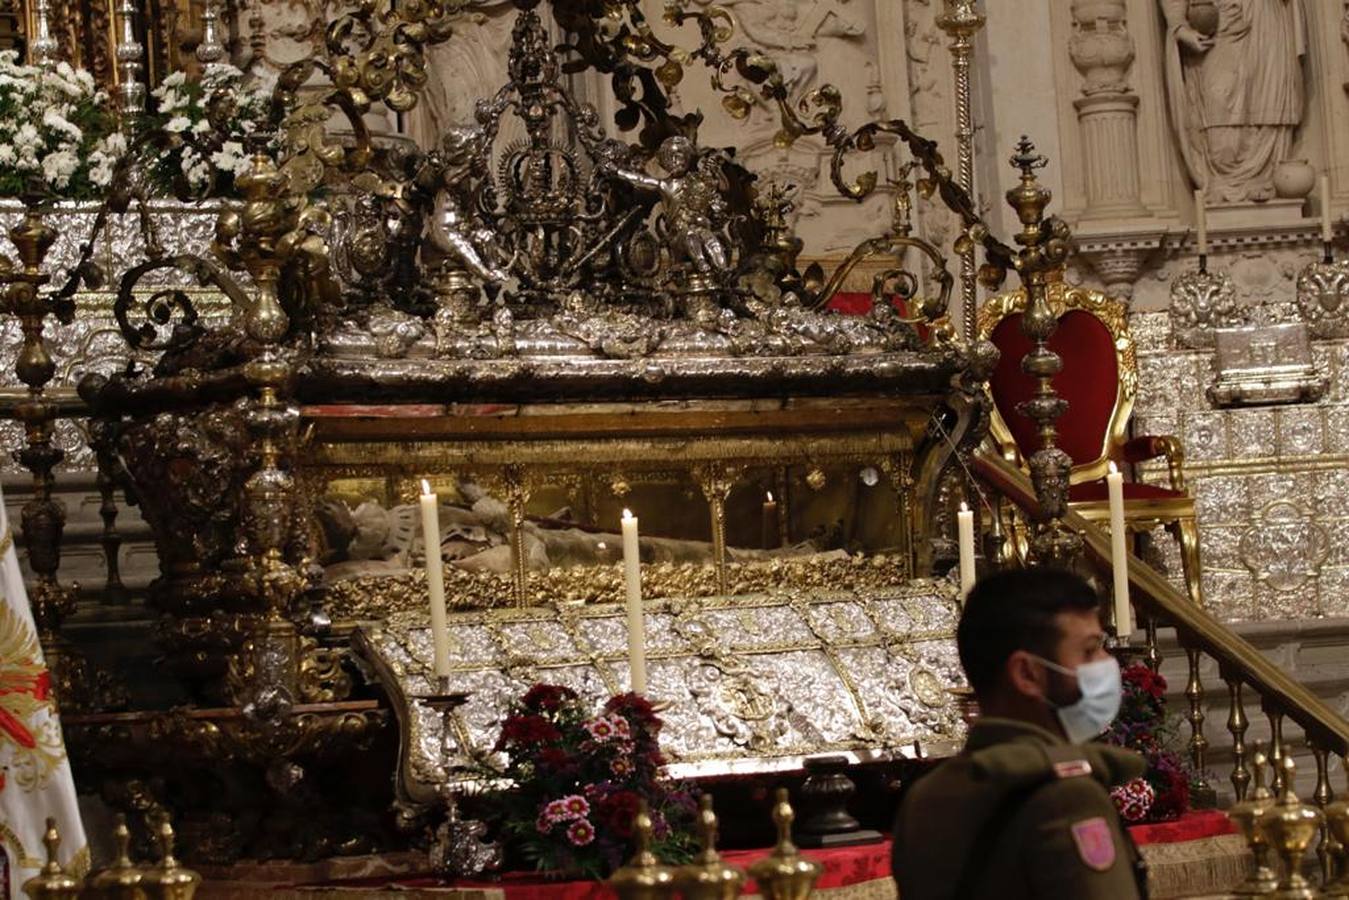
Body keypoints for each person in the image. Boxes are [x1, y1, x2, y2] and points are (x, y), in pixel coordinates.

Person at [892, 568, 1148, 899]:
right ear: (1027, 674)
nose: (1106, 662)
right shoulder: (1067, 796)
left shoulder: (925, 796)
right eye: (1088, 650)